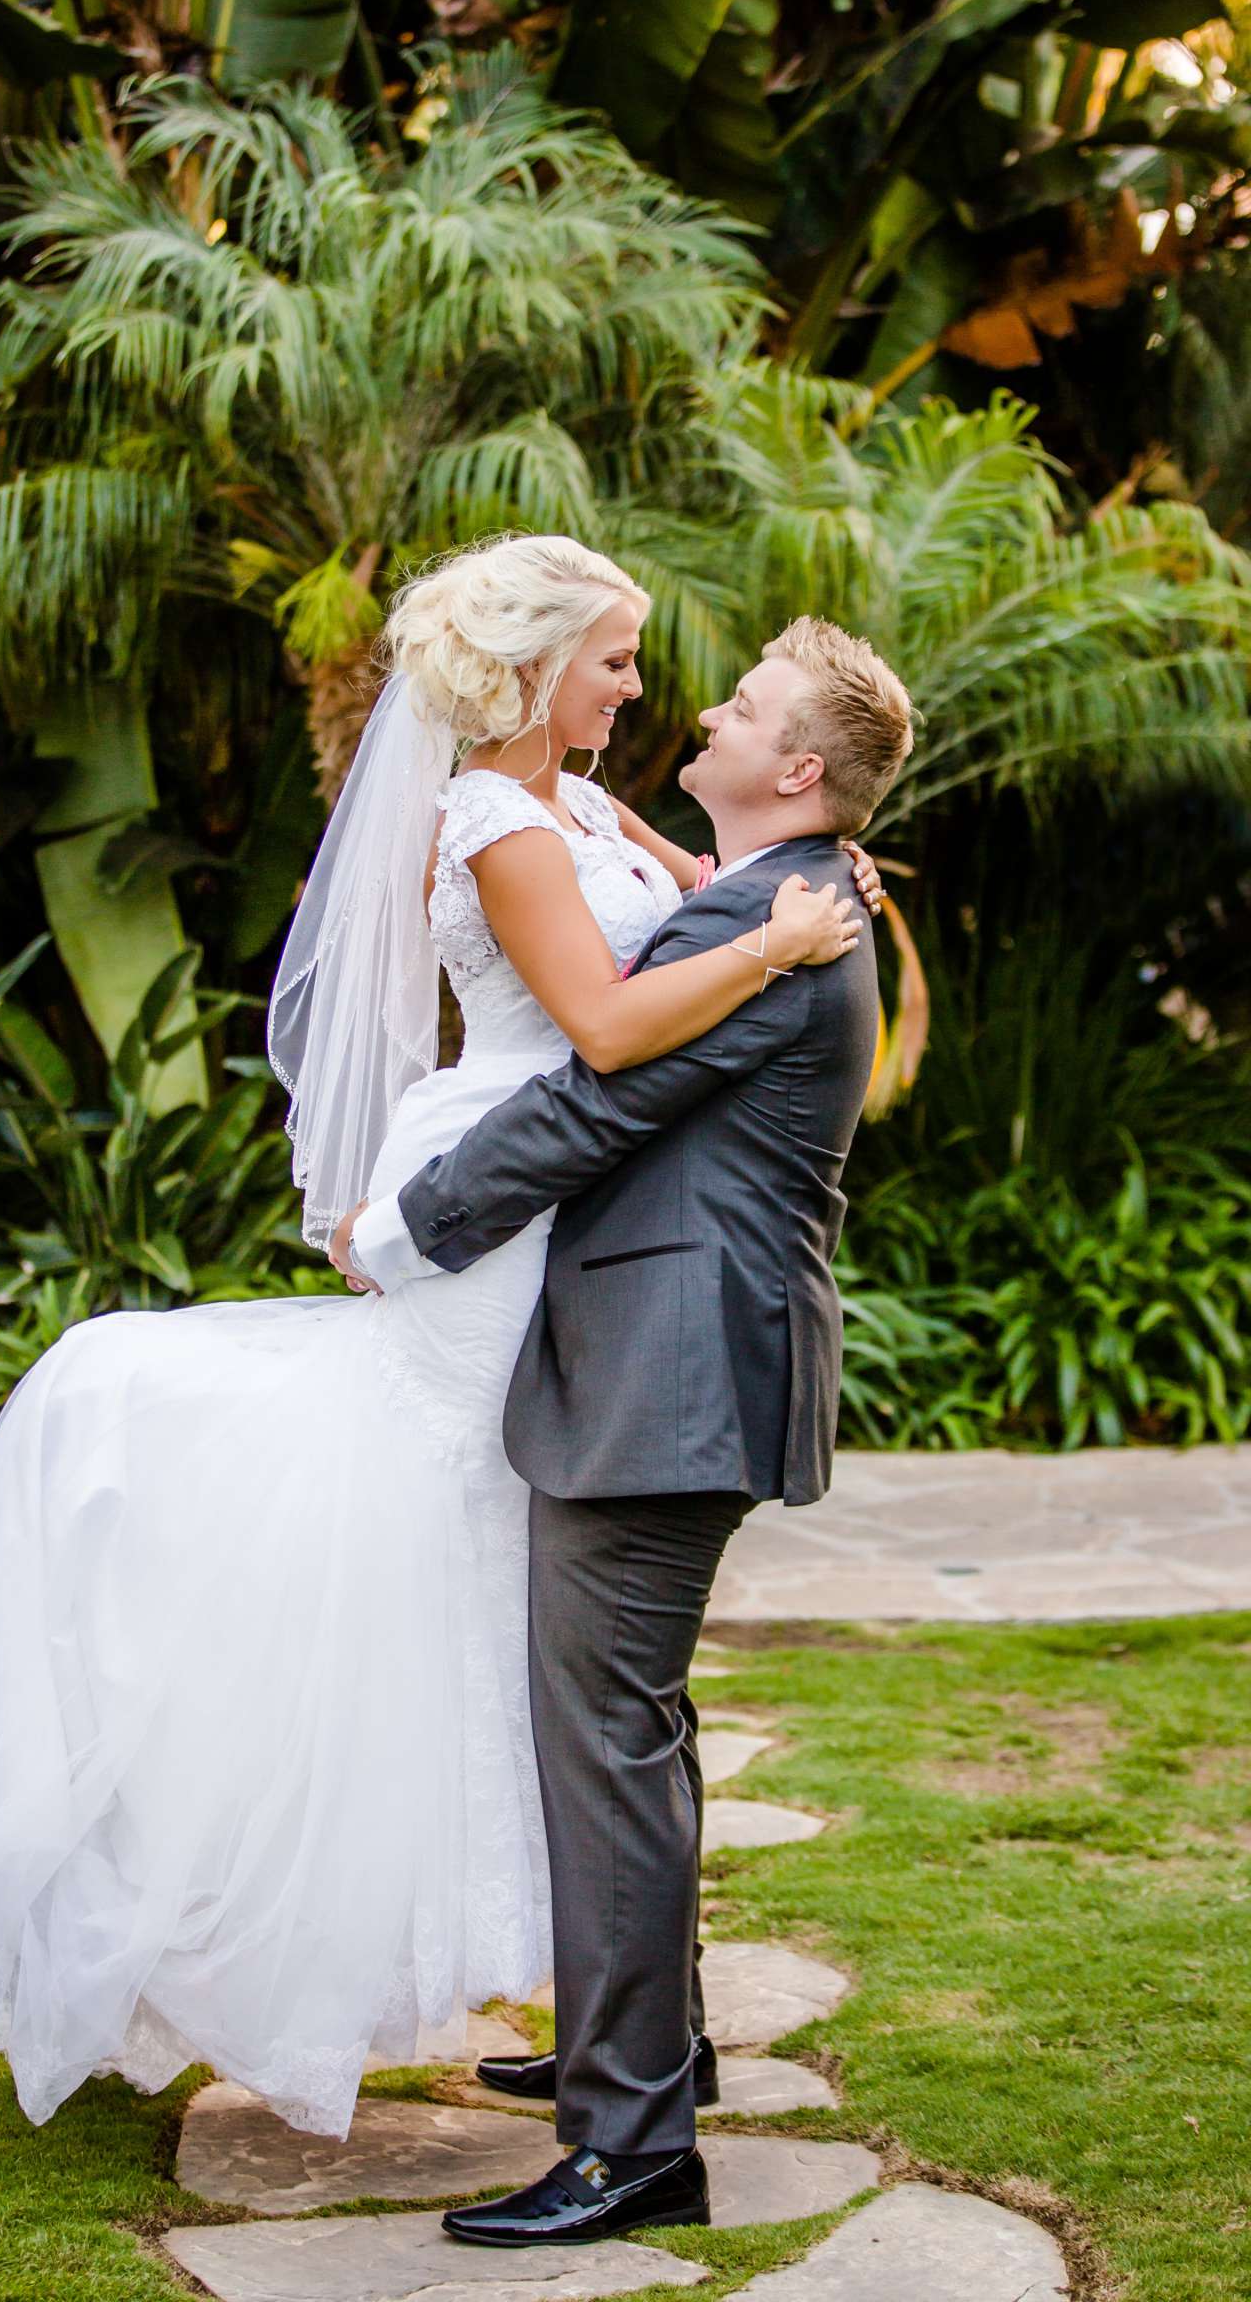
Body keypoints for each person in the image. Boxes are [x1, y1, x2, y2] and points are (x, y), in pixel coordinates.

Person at [0, 533, 876, 2144]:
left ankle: (624, 2037)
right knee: (466, 1601)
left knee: (523, 1640)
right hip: (503, 1196)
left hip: (572, 1232)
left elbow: (698, 912)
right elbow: (615, 1030)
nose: (646, 682)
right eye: (616, 657)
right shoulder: (491, 813)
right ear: (540, 668)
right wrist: (778, 938)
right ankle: (606, 2040)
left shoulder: (588, 807)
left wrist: (803, 888)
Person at [331, 612, 915, 2247]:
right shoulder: (767, 899)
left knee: (604, 1738)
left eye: (739, 705)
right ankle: (656, 2050)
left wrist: (399, 1231)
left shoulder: (773, 918)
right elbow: (662, 930)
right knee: (626, 1730)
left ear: (794, 770)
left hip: (669, 1376)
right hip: (680, 1364)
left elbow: (597, 1100)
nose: (701, 710)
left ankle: (637, 2139)